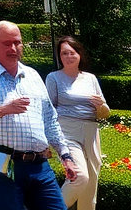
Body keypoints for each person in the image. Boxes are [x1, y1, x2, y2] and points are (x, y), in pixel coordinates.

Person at [0, 20, 77, 209]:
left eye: (17, 42)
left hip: (39, 164)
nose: (14, 48)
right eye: (7, 43)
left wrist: (65, 155)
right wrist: (4, 109)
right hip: (2, 164)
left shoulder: (32, 75)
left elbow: (49, 119)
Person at [46, 35, 110, 210]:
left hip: (91, 131)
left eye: (72, 53)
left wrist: (101, 106)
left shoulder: (90, 78)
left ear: (79, 54)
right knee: (80, 176)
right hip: (67, 130)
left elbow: (105, 113)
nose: (68, 57)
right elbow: (49, 109)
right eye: (64, 53)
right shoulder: (54, 78)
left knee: (91, 185)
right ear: (59, 57)